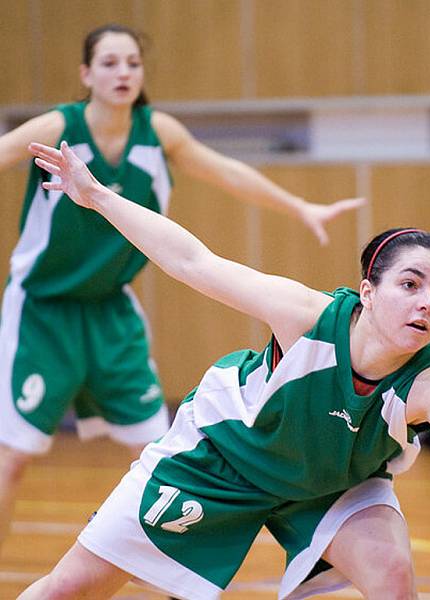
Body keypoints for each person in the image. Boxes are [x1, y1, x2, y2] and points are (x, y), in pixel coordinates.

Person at [19, 140, 430, 600]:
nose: (428, 302)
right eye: (410, 284)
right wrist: (97, 196)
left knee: (394, 580)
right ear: (367, 293)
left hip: (329, 483)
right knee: (70, 590)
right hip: (221, 456)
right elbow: (192, 260)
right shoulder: (306, 315)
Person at [0, 23, 364, 552]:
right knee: (13, 456)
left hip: (112, 312)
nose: (123, 72)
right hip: (41, 311)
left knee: (156, 451)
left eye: (132, 63)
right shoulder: (61, 124)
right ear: (86, 74)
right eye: (109, 62)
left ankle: (170, 570)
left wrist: (300, 206)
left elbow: (228, 173)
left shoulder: (159, 133)